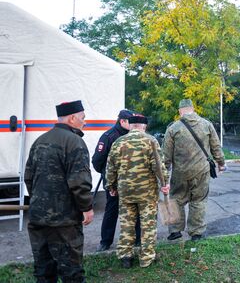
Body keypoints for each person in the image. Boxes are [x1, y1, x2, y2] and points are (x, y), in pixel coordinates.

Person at [24, 100, 94, 283]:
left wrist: (39, 202)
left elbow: (28, 177)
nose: (84, 122)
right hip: (64, 221)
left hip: (38, 217)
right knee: (72, 272)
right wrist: (86, 207)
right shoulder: (75, 142)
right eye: (82, 118)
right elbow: (79, 182)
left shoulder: (40, 141)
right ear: (72, 118)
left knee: (44, 271)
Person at [105, 114, 169, 268]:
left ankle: (125, 257)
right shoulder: (151, 141)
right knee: (147, 224)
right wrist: (164, 183)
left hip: (125, 191)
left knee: (127, 223)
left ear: (131, 125)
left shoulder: (118, 142)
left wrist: (111, 186)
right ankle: (146, 258)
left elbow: (111, 168)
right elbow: (159, 166)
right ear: (144, 126)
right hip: (147, 192)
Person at [164, 99, 225, 241]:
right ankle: (196, 233)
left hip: (180, 172)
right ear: (193, 108)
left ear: (180, 111)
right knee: (199, 200)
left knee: (175, 199)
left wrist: (164, 178)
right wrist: (221, 163)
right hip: (201, 171)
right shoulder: (206, 125)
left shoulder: (173, 128)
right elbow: (216, 147)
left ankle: (174, 231)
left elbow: (165, 156)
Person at [92, 109, 141, 252]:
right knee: (112, 210)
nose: (133, 125)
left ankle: (137, 239)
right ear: (122, 121)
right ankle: (105, 241)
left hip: (132, 181)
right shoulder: (109, 136)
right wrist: (107, 175)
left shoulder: (134, 136)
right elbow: (97, 160)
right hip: (114, 181)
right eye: (130, 122)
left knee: (135, 208)